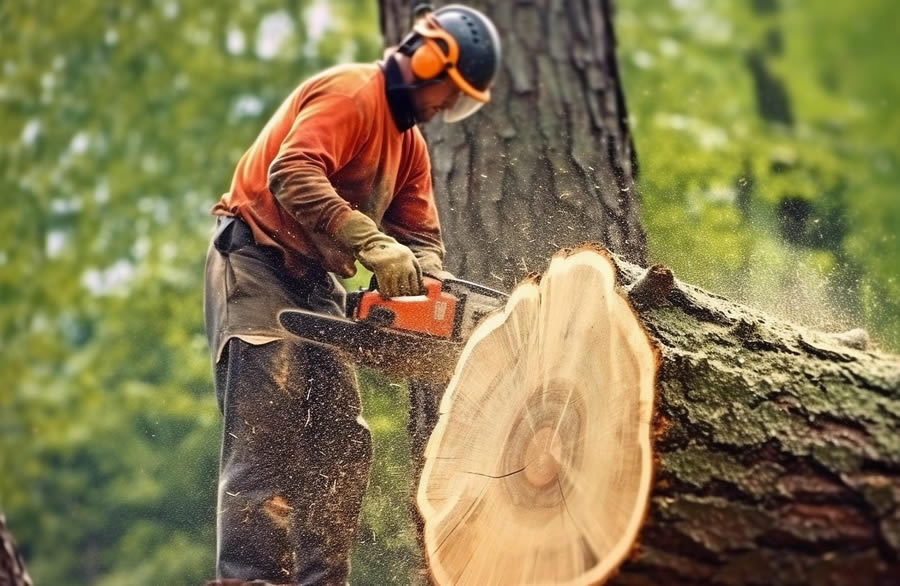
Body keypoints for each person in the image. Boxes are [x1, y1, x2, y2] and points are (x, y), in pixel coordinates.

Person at [203, 4, 501, 585]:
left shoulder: (409, 144)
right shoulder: (352, 91)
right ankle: (249, 578)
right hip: (256, 258)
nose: (446, 108)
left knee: (341, 438)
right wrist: (371, 243)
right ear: (428, 59)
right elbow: (291, 173)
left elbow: (420, 234)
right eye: (451, 92)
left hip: (317, 282)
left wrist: (425, 282)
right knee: (269, 427)